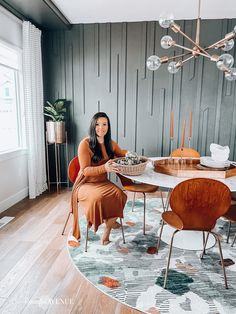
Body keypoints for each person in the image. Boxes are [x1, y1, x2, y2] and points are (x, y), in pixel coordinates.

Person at [71, 112, 127, 245]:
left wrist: (130, 154)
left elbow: (121, 153)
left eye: (104, 124)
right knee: (98, 198)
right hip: (85, 184)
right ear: (92, 126)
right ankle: (108, 221)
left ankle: (107, 230)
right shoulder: (85, 144)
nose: (101, 128)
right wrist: (105, 168)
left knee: (120, 195)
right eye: (97, 124)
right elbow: (85, 171)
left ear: (108, 126)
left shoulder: (110, 143)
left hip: (103, 182)